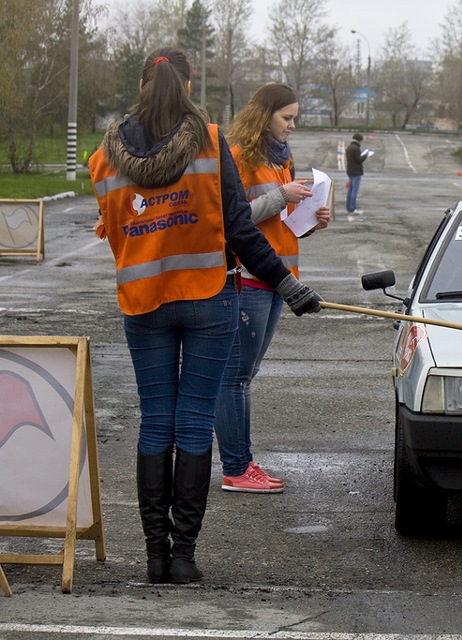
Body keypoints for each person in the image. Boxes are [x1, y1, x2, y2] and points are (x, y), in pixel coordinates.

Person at [88, 47, 322, 585]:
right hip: (209, 299)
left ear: (143, 85)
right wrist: (288, 285)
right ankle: (183, 557)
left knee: (155, 421)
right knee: (194, 421)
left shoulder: (104, 156)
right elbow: (240, 230)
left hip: (143, 303)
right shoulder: (211, 143)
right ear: (188, 86)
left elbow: (110, 228)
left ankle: (155, 556)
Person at [213, 83, 330, 494]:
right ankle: (236, 468)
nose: (293, 125)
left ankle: (242, 463)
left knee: (244, 376)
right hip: (249, 277)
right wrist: (282, 196)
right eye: (287, 117)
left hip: (279, 279)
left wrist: (311, 221)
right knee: (235, 377)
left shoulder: (282, 158)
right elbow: (233, 220)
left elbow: (281, 226)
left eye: (295, 117)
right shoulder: (238, 157)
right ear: (265, 116)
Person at [345, 132, 369, 215]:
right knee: (354, 191)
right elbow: (359, 160)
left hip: (350, 171)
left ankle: (348, 207)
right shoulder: (356, 148)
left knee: (350, 190)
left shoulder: (349, 147)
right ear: (359, 140)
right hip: (356, 171)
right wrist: (365, 155)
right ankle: (353, 208)